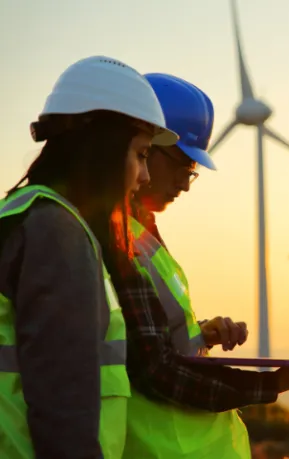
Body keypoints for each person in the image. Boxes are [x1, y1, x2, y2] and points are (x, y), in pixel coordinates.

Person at [111, 73, 289, 459]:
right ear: (139, 145)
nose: (187, 182)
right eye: (182, 163)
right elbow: (152, 368)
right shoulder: (111, 239)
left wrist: (200, 334)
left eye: (193, 170)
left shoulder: (143, 234)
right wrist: (274, 384)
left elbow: (146, 335)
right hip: (155, 448)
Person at [0, 56, 178, 459]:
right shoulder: (57, 234)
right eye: (142, 153)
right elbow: (62, 406)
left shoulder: (19, 215)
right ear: (104, 147)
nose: (145, 176)